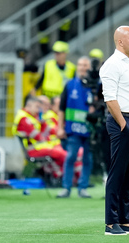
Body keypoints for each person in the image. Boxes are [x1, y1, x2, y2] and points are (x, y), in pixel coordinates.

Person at [100, 25, 129, 235]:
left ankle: (125, 220)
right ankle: (111, 223)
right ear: (120, 41)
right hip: (124, 123)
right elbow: (110, 98)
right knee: (117, 173)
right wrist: (123, 124)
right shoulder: (111, 65)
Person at [56, 57, 94, 199]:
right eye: (80, 64)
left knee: (88, 158)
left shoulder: (95, 85)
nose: (82, 67)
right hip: (73, 129)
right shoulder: (70, 85)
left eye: (85, 65)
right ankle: (66, 188)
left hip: (90, 129)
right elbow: (61, 108)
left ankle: (82, 188)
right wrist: (60, 128)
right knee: (71, 156)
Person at [12, 97, 67, 174]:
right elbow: (39, 137)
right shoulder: (24, 119)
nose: (38, 110)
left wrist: (42, 122)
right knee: (61, 153)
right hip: (33, 149)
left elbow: (48, 132)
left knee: (64, 151)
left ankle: (58, 175)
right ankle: (59, 176)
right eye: (37, 107)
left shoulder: (32, 117)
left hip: (39, 147)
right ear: (29, 106)